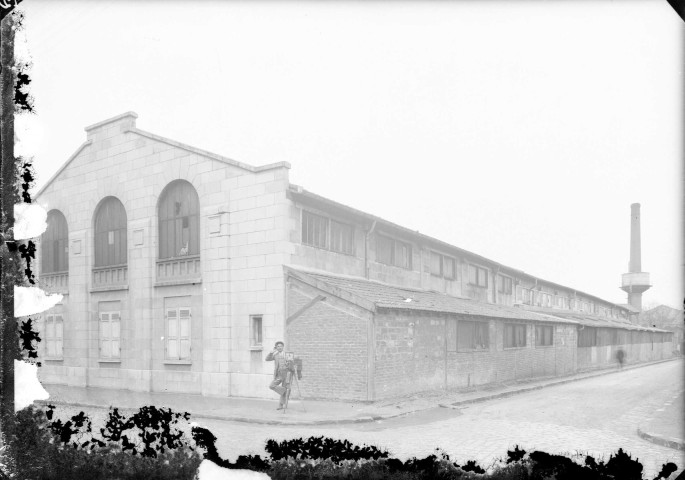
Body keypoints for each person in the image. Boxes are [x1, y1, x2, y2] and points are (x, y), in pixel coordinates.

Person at [265, 341, 290, 410]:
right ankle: (284, 391)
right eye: (278, 346)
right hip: (278, 375)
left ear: (283, 347)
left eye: (281, 346)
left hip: (286, 374)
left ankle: (281, 405)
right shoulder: (275, 355)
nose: (280, 347)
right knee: (272, 385)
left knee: (284, 387)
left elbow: (291, 363)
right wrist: (271, 352)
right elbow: (267, 359)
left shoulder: (287, 354)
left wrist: (289, 364)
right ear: (276, 347)